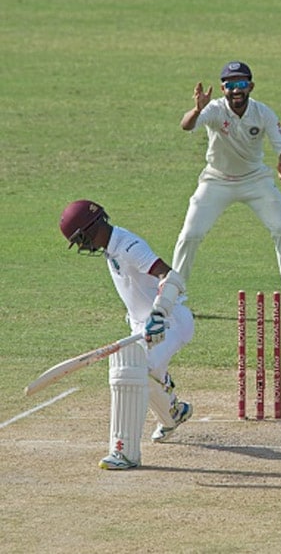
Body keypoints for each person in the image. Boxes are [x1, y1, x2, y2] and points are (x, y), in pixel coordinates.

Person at [174, 60, 281, 319]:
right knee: (190, 234)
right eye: (230, 85)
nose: (236, 90)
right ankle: (173, 300)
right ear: (223, 88)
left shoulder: (263, 113)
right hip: (216, 180)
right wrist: (197, 109)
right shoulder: (213, 109)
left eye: (242, 84)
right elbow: (186, 125)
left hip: (255, 180)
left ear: (251, 86)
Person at [59, 200, 195, 469]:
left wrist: (159, 313)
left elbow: (171, 277)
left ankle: (124, 453)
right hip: (143, 328)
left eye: (81, 239)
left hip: (170, 322)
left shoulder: (129, 246)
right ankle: (173, 413)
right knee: (143, 374)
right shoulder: (111, 248)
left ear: (91, 228)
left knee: (132, 372)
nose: (83, 246)